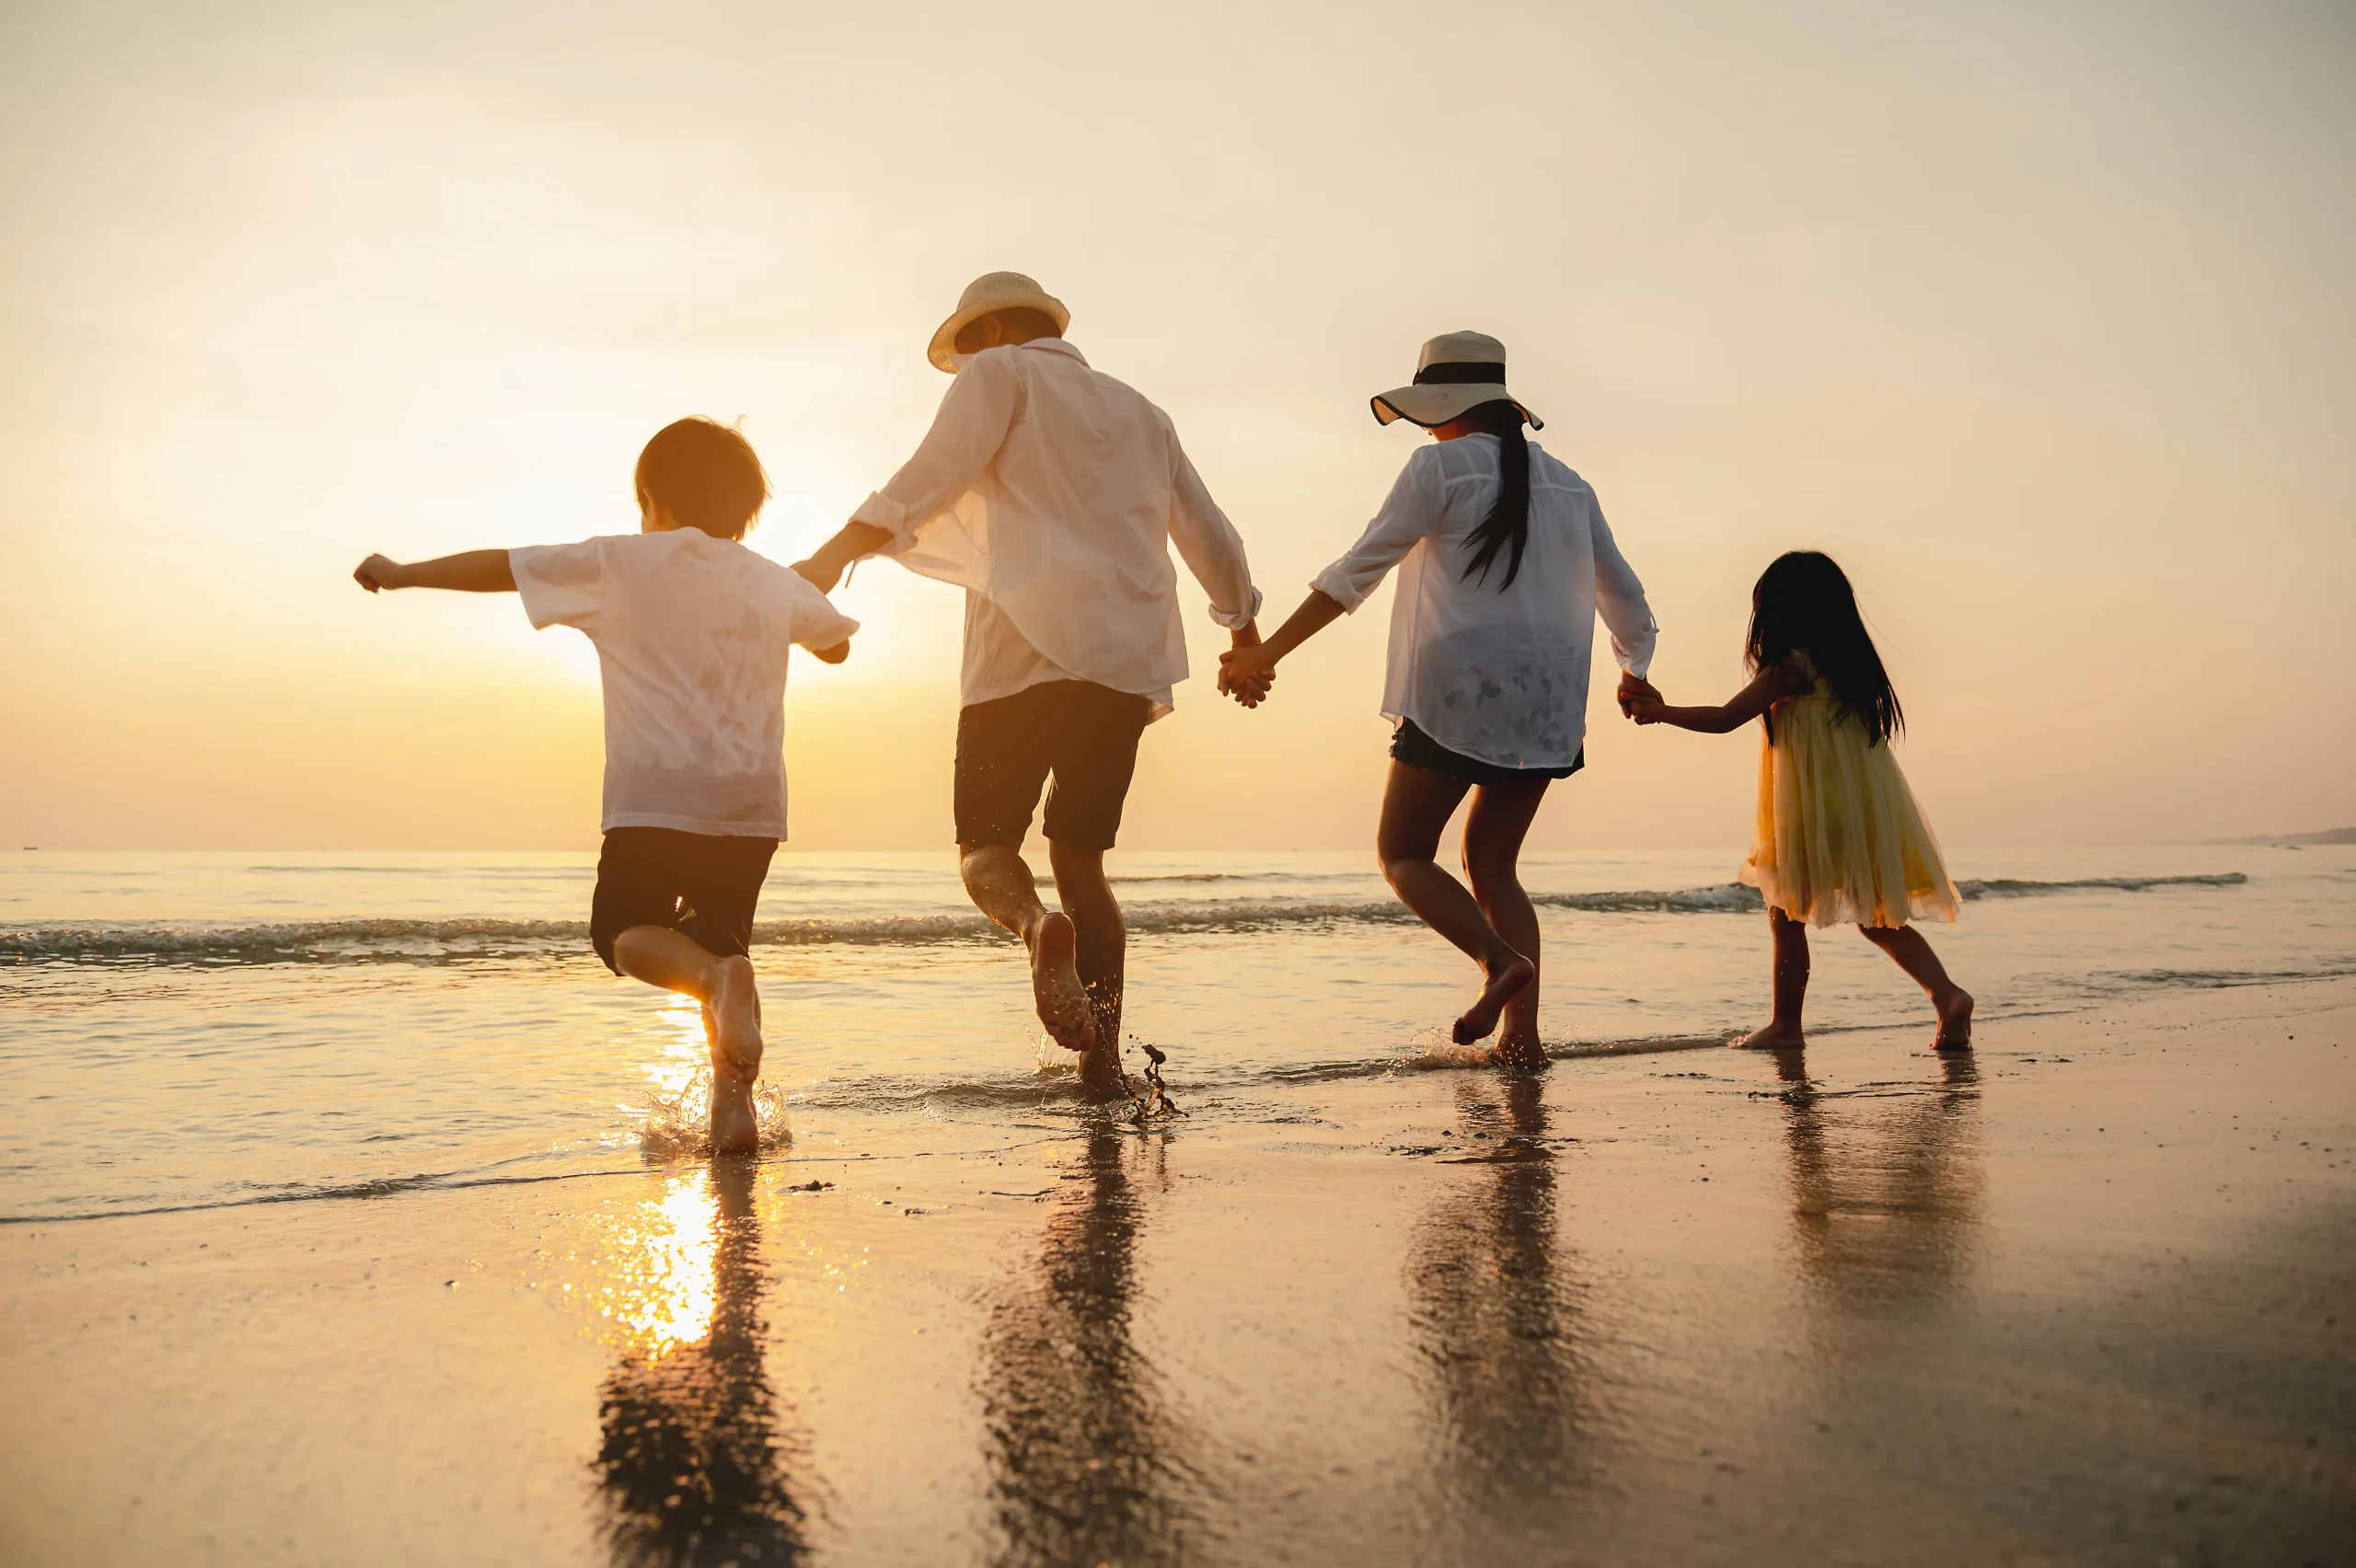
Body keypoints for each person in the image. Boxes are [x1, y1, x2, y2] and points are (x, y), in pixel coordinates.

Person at [794, 272, 1263, 1094]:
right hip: (1122, 661)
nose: (965, 360)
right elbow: (1211, 535)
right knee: (1082, 860)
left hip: (1019, 656)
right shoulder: (1143, 413)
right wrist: (1243, 633)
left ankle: (1037, 928)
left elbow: (927, 475)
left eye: (969, 344)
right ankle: (1104, 1065)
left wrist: (835, 553)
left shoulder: (1000, 373)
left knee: (985, 847)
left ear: (996, 329)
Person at [352, 417, 860, 1150]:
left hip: (657, 796)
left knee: (621, 933)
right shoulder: (768, 579)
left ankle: (722, 989)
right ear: (744, 511)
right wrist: (788, 593)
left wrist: (403, 573)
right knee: (718, 944)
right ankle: (731, 1112)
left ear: (652, 499)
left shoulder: (620, 564)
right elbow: (836, 647)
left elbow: (503, 567)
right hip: (751, 807)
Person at [1218, 332, 1657, 1068]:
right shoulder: (1571, 484)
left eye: (1431, 411)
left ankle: (1496, 961)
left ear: (1451, 410)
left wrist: (1267, 653)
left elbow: (1358, 570)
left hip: (1458, 692)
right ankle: (1523, 1039)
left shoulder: (1441, 466)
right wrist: (1633, 667)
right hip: (1549, 700)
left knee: (1403, 853)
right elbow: (1627, 596)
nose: (1426, 426)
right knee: (1493, 863)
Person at [1624, 549, 1973, 1050]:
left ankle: (1786, 1026)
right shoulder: (1852, 669)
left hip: (1812, 810)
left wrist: (1661, 712)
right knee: (1878, 918)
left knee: (1784, 914)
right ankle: (1947, 995)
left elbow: (1726, 717)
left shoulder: (1792, 666)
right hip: (1863, 811)